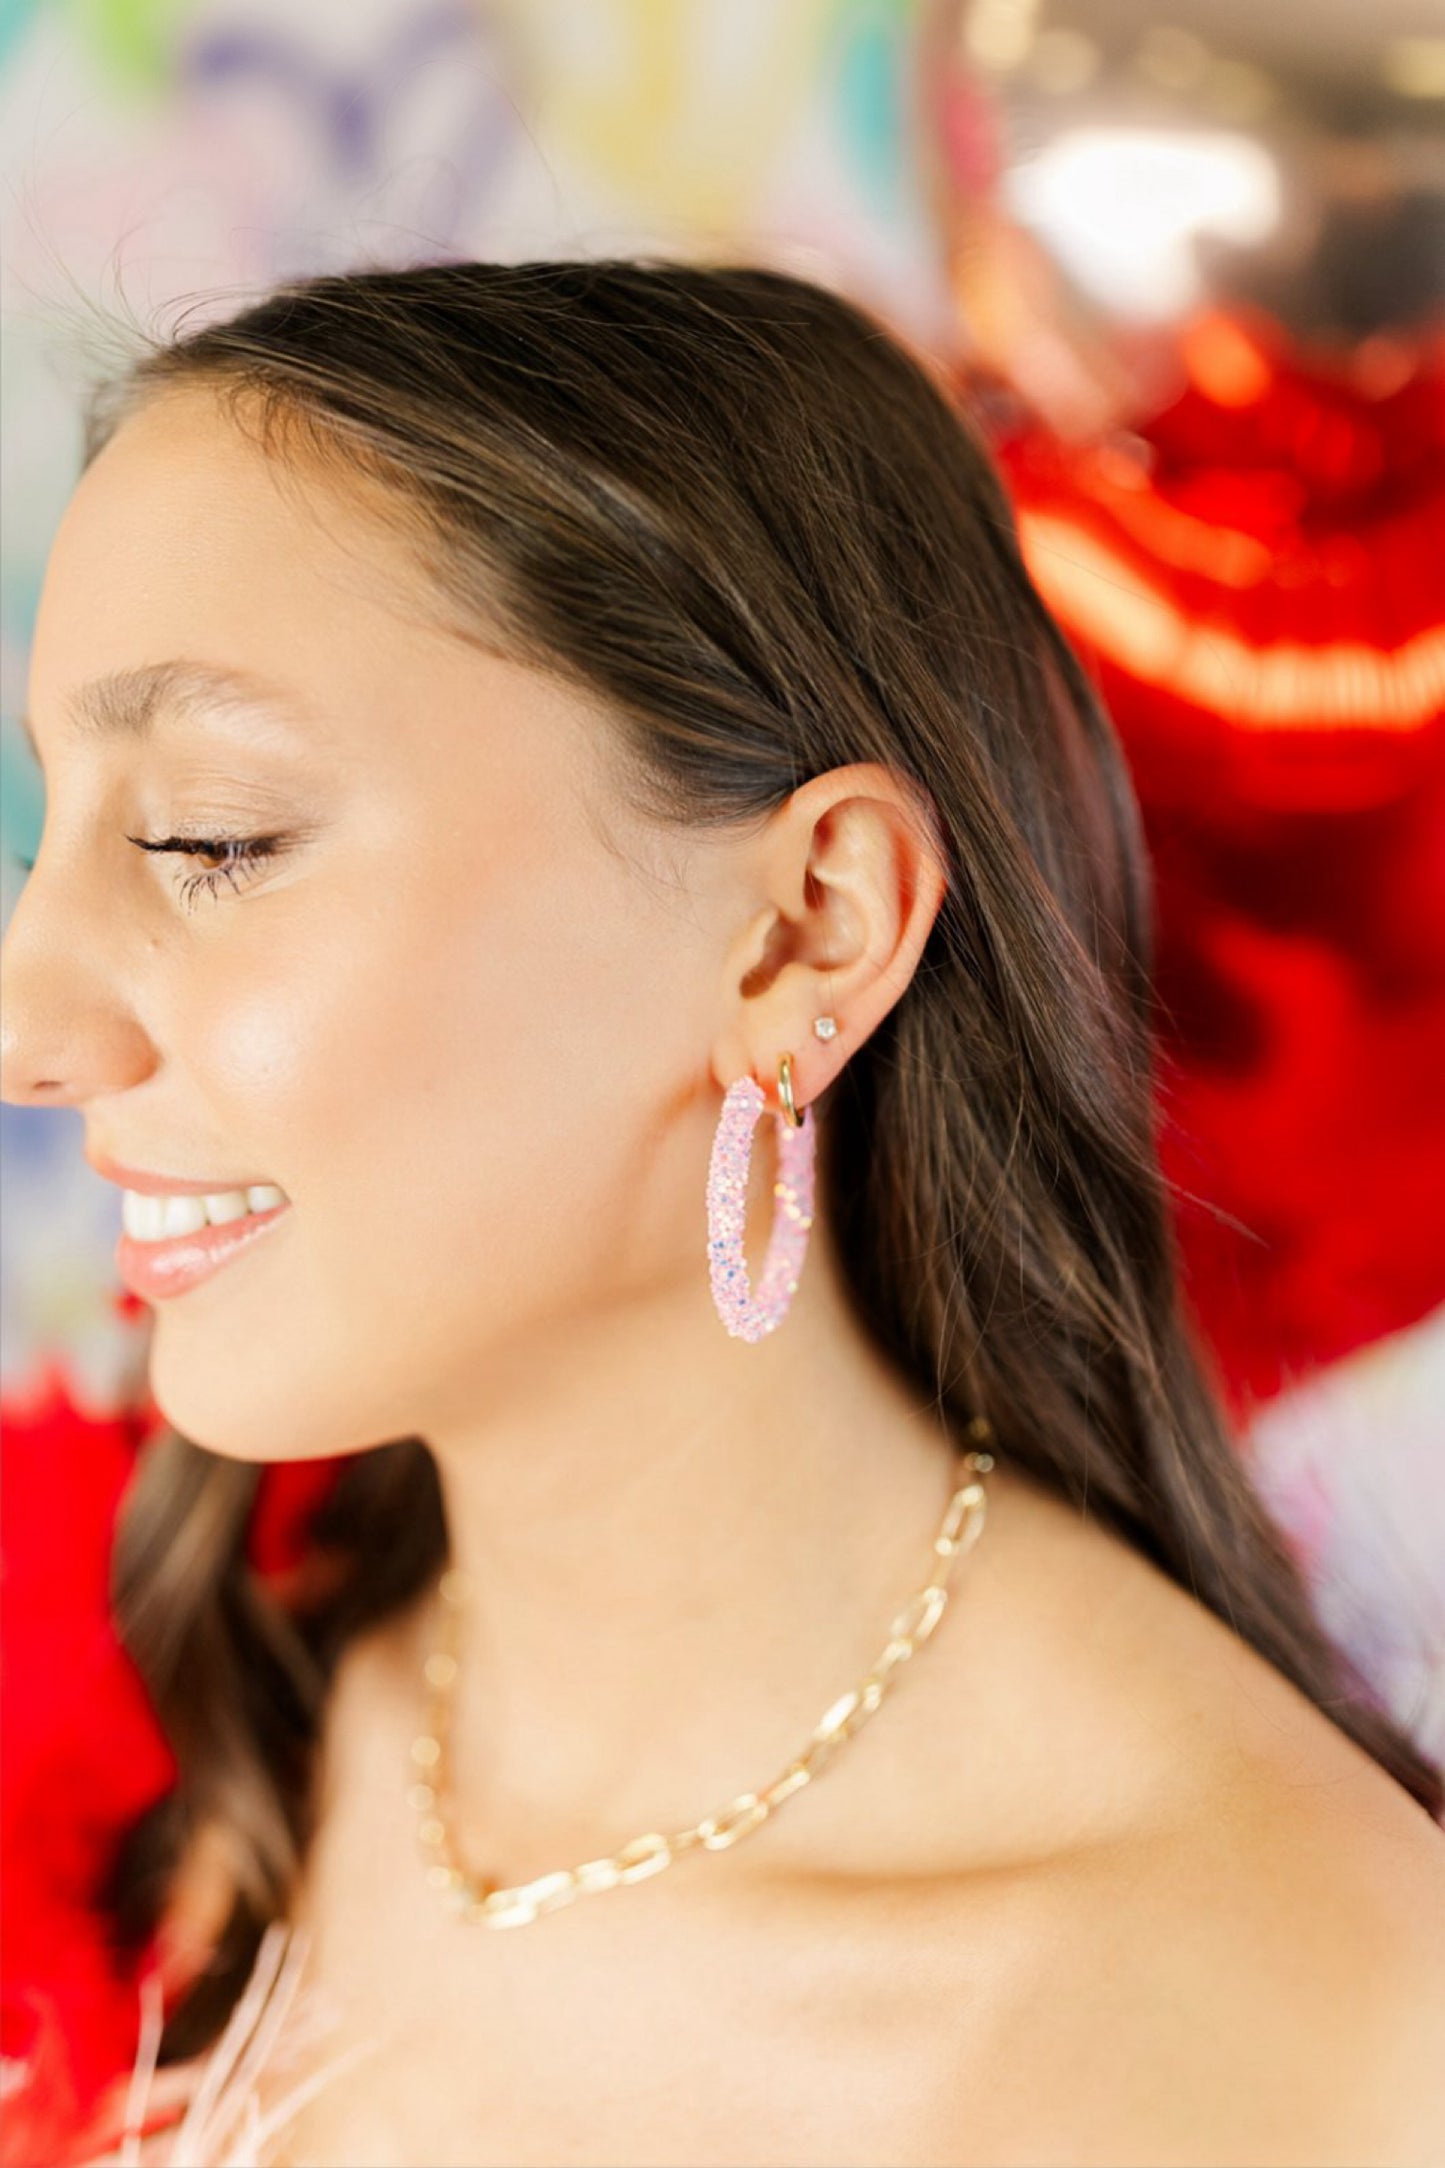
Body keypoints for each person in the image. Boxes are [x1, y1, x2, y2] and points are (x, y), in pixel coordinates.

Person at [2, 258, 1442, 2168]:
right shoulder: (136, 1694)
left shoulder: (1313, 2034)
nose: (34, 1029)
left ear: (804, 926)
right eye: (50, 837)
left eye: (211, 838)